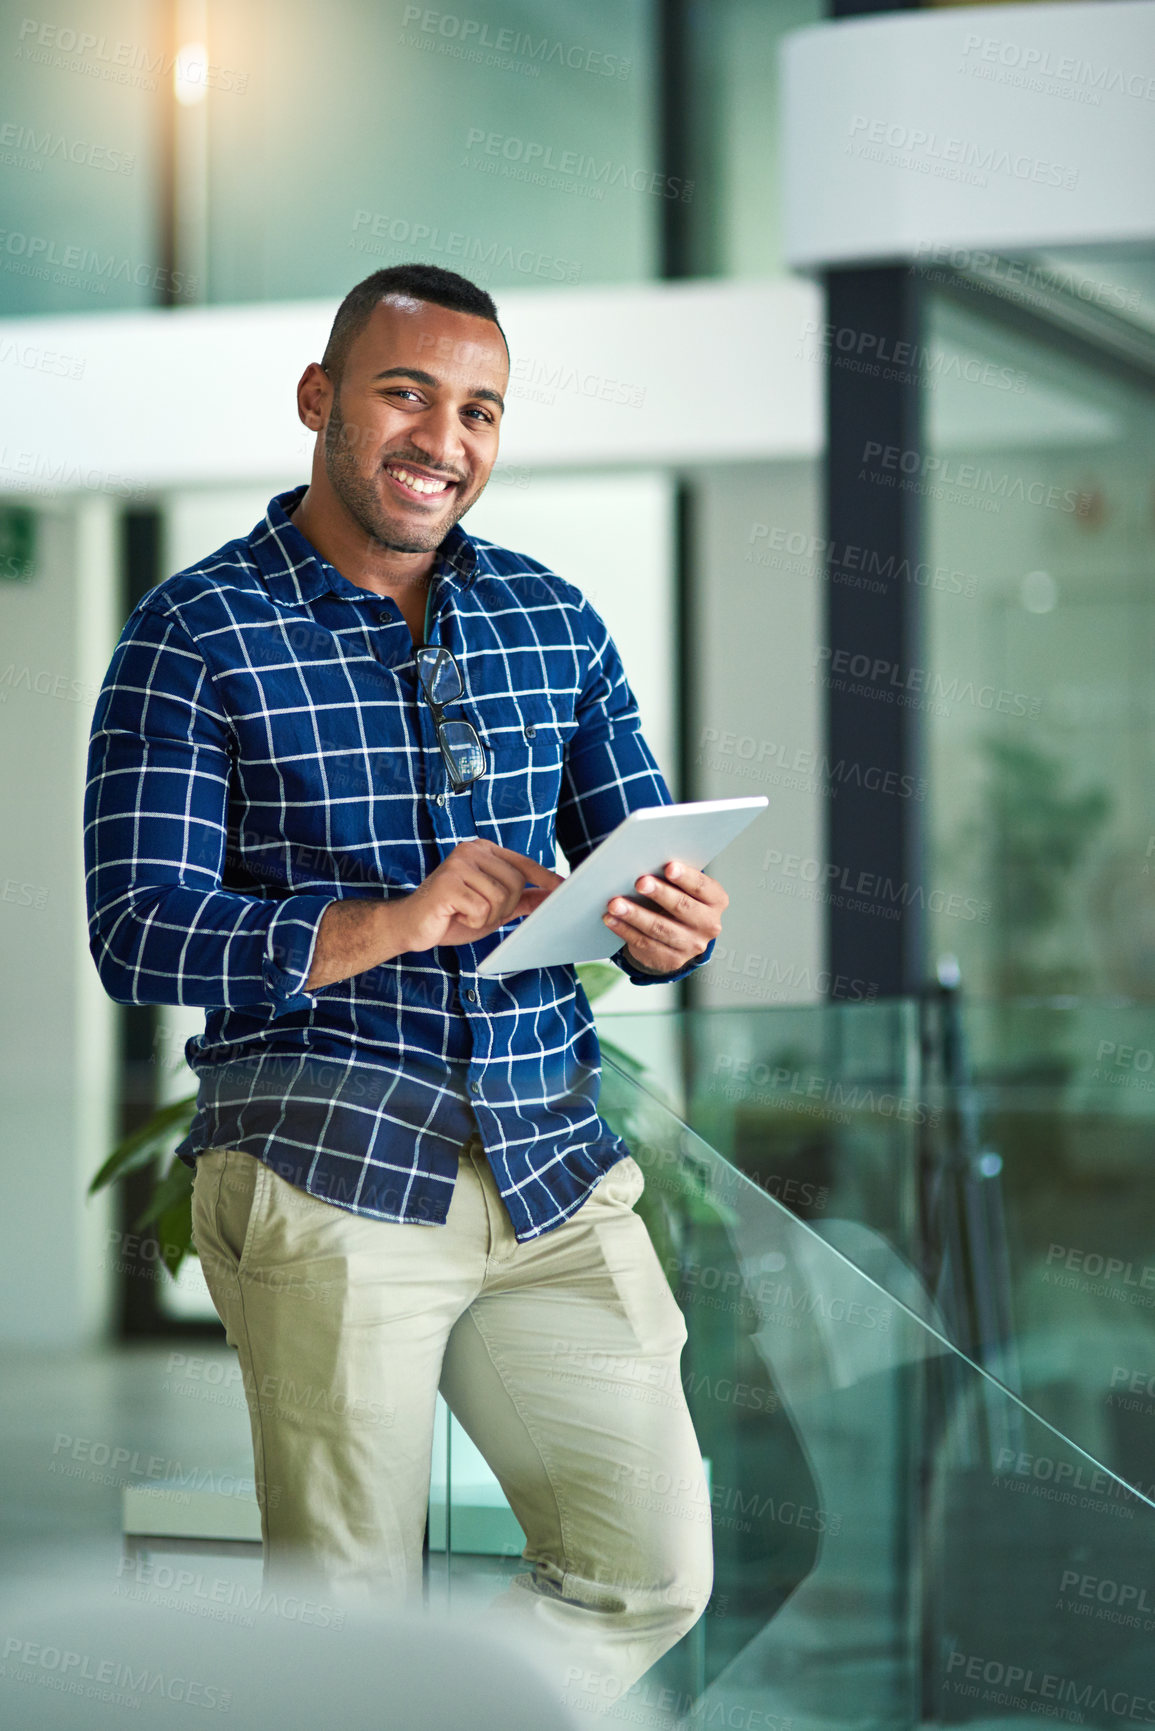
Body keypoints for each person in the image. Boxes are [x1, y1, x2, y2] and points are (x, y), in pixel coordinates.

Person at [84, 264, 726, 1717]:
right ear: (321, 402)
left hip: (555, 1173)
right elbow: (137, 928)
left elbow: (633, 862)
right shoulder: (194, 636)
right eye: (407, 393)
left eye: (481, 410)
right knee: (346, 1621)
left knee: (650, 1570)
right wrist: (387, 921)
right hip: (328, 1168)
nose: (446, 436)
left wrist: (667, 927)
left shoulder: (552, 620)